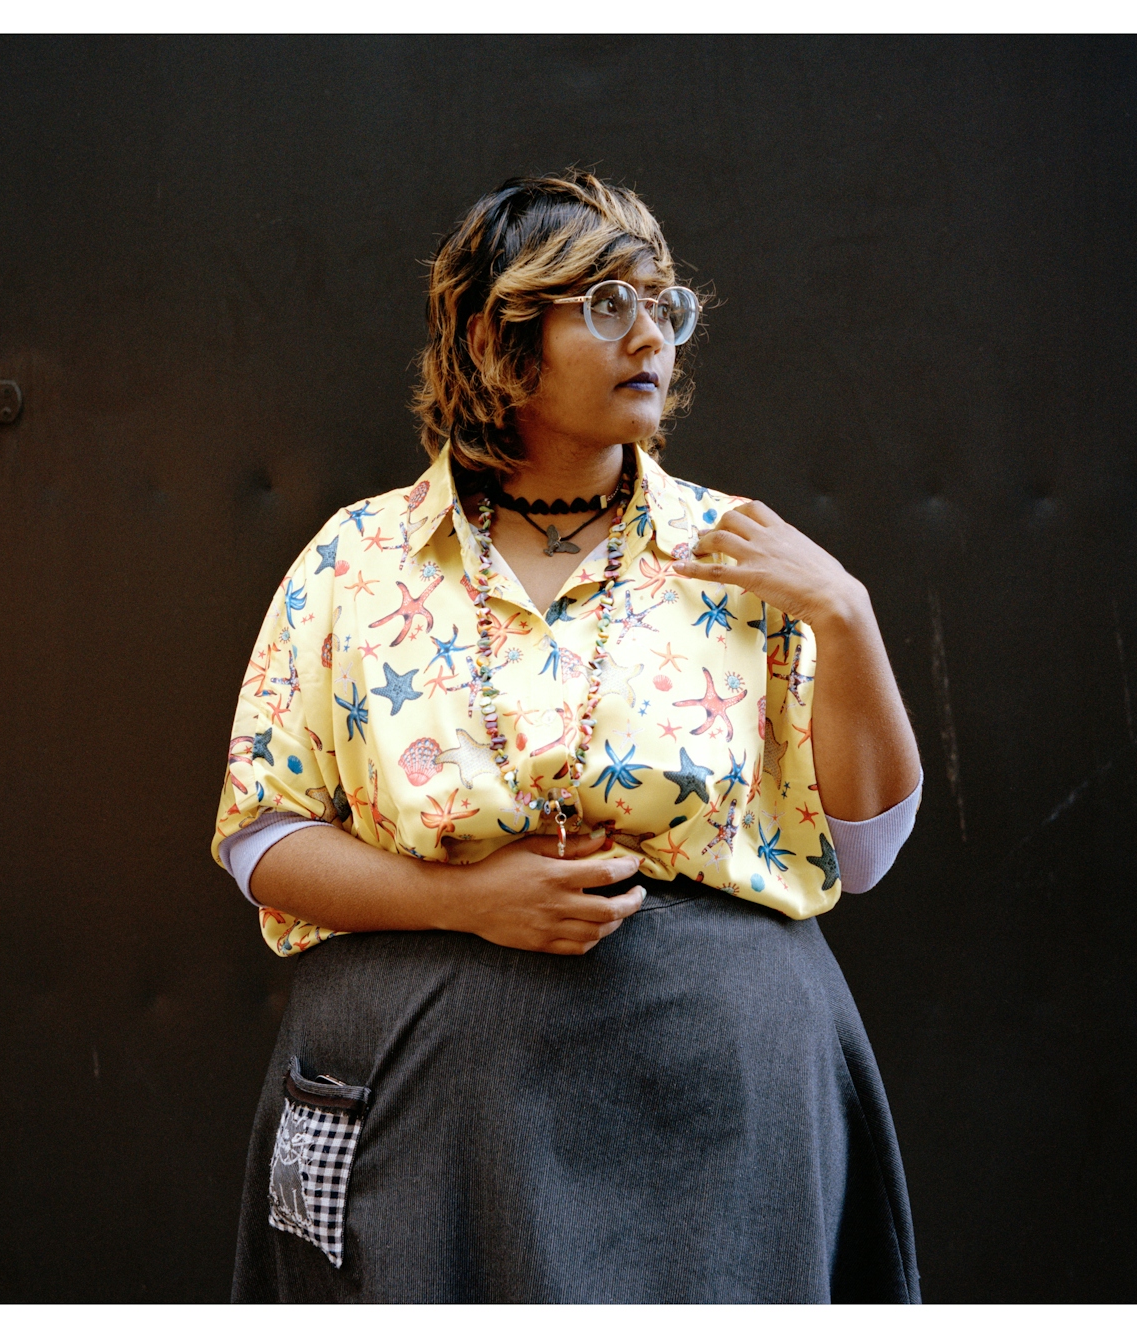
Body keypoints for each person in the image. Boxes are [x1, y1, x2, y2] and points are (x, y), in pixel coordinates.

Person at [212, 171, 924, 1303]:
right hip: (431, 1100)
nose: (653, 334)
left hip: (718, 1107)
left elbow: (868, 851)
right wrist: (463, 900)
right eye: (606, 304)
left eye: (664, 305)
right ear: (499, 337)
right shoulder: (358, 560)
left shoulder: (743, 554)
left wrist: (848, 612)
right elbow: (261, 840)